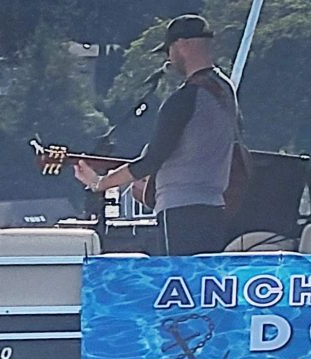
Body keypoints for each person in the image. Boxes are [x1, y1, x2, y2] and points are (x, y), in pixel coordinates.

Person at [75, 15, 240, 255]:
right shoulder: (225, 90)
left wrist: (101, 183)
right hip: (214, 208)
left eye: (169, 50)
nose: (169, 58)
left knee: (179, 280)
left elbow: (152, 159)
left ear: (183, 44)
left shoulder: (185, 98)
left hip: (180, 212)